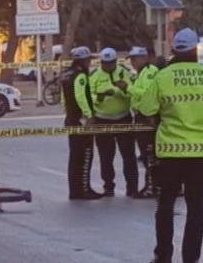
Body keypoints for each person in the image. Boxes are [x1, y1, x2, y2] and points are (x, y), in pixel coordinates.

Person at [137, 28, 203, 263]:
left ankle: (163, 257)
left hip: (170, 153)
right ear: (195, 50)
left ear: (174, 50)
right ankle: (191, 261)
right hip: (202, 154)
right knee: (196, 208)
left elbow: (146, 109)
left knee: (165, 206)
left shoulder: (162, 77)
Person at [89, 48, 139, 197]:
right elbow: (88, 94)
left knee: (128, 155)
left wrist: (121, 91)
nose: (108, 66)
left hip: (123, 117)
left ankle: (132, 187)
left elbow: (132, 91)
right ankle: (108, 186)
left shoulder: (124, 72)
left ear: (116, 61)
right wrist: (100, 96)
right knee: (106, 156)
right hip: (102, 119)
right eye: (105, 63)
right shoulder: (95, 75)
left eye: (110, 63)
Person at [61, 46, 102, 201]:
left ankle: (75, 189)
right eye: (89, 59)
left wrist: (67, 112)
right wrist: (88, 115)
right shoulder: (80, 75)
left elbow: (63, 97)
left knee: (74, 156)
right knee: (85, 155)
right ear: (84, 59)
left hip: (71, 119)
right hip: (81, 121)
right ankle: (83, 189)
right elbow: (80, 96)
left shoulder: (66, 74)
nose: (90, 62)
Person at [127, 46, 160, 198]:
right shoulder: (141, 73)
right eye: (131, 59)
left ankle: (152, 186)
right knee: (147, 154)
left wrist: (129, 88)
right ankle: (153, 184)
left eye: (135, 59)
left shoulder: (149, 72)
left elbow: (148, 93)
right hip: (141, 116)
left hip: (147, 117)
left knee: (149, 154)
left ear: (144, 58)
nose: (132, 62)